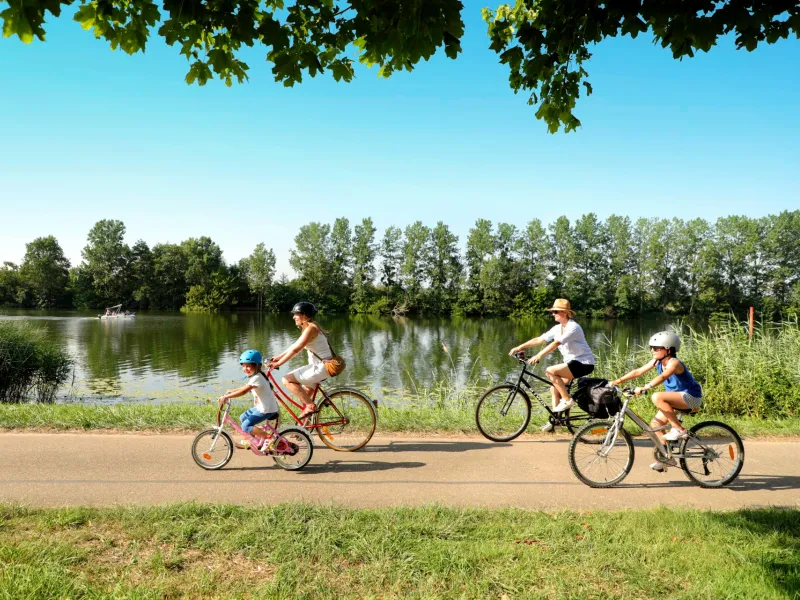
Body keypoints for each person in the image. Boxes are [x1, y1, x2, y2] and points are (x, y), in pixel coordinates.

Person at [611, 331, 703, 472]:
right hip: (676, 399)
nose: (652, 351)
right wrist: (617, 381)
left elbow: (663, 376)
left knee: (657, 396)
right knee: (655, 425)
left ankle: (679, 429)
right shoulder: (657, 362)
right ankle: (667, 457)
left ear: (668, 350)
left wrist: (646, 387)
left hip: (691, 397)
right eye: (652, 348)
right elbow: (638, 371)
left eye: (656, 348)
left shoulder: (674, 363)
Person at [508, 298, 595, 430]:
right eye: (553, 312)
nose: (553, 314)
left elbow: (556, 343)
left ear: (565, 313)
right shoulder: (557, 328)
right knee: (554, 388)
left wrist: (539, 355)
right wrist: (520, 346)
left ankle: (567, 400)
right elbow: (539, 339)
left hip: (584, 363)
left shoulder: (573, 327)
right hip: (571, 363)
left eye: (555, 311)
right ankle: (556, 420)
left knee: (550, 371)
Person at [267, 301, 333, 421]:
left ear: (305, 315)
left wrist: (278, 364)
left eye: (296, 314)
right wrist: (278, 357)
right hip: (320, 367)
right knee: (304, 396)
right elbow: (294, 346)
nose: (293, 317)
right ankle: (304, 427)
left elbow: (296, 350)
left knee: (287, 379)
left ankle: (311, 406)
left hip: (320, 367)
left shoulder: (311, 329)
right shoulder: (310, 327)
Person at [218, 349, 279, 451]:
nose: (245, 368)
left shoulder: (257, 378)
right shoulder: (257, 376)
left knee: (245, 426)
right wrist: (232, 391)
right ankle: (252, 440)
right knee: (243, 417)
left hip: (267, 409)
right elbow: (246, 387)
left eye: (248, 366)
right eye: (243, 366)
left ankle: (269, 437)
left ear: (257, 366)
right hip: (263, 406)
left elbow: (244, 391)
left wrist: (226, 397)